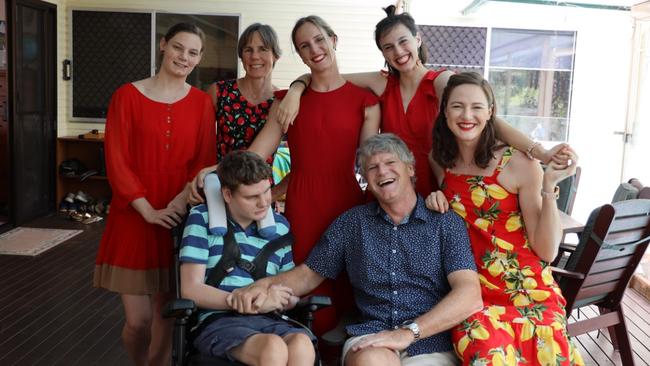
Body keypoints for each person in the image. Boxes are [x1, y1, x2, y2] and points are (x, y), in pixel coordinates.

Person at [192, 15, 381, 336]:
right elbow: (255, 153)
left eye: (320, 40)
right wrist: (217, 170)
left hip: (350, 205)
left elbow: (368, 165)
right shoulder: (287, 102)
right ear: (298, 54)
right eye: (304, 46)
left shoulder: (366, 101)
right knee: (308, 301)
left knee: (352, 298)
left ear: (333, 40)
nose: (315, 49)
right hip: (304, 207)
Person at [228, 134, 482, 366]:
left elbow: (469, 294)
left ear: (410, 168)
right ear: (366, 180)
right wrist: (262, 286)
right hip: (371, 334)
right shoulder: (352, 224)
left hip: (429, 341)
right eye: (372, 167)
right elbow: (308, 274)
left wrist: (408, 333)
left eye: (390, 162)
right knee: (371, 361)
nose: (382, 171)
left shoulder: (444, 223)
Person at [277, 2, 560, 198]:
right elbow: (327, 76)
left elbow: (486, 118)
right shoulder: (383, 83)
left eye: (403, 42)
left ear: (418, 40)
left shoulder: (439, 82)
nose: (398, 52)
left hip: (438, 185)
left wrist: (538, 151)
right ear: (383, 54)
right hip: (392, 187)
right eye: (388, 48)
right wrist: (297, 88)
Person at [425, 72, 584, 365]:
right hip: (473, 292)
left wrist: (549, 187)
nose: (467, 115)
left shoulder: (520, 164)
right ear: (445, 111)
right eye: (457, 106)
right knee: (489, 355)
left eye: (476, 107)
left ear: (490, 113)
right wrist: (435, 200)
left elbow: (547, 251)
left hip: (527, 289)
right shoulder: (439, 160)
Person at [93, 23, 216, 365]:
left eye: (193, 52)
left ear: (199, 58)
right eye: (178, 47)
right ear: (163, 45)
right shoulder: (126, 96)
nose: (184, 57)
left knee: (166, 315)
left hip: (178, 216)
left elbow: (204, 161)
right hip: (133, 217)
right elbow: (116, 160)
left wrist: (177, 204)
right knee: (138, 322)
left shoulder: (202, 103)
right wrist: (147, 209)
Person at [180, 150, 315, 365]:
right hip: (220, 321)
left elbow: (290, 291)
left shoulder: (280, 227)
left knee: (302, 344)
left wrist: (285, 299)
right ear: (227, 194)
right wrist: (244, 302)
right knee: (273, 348)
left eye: (267, 191)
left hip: (271, 319)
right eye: (252, 197)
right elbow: (190, 290)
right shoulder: (201, 219)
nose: (264, 203)